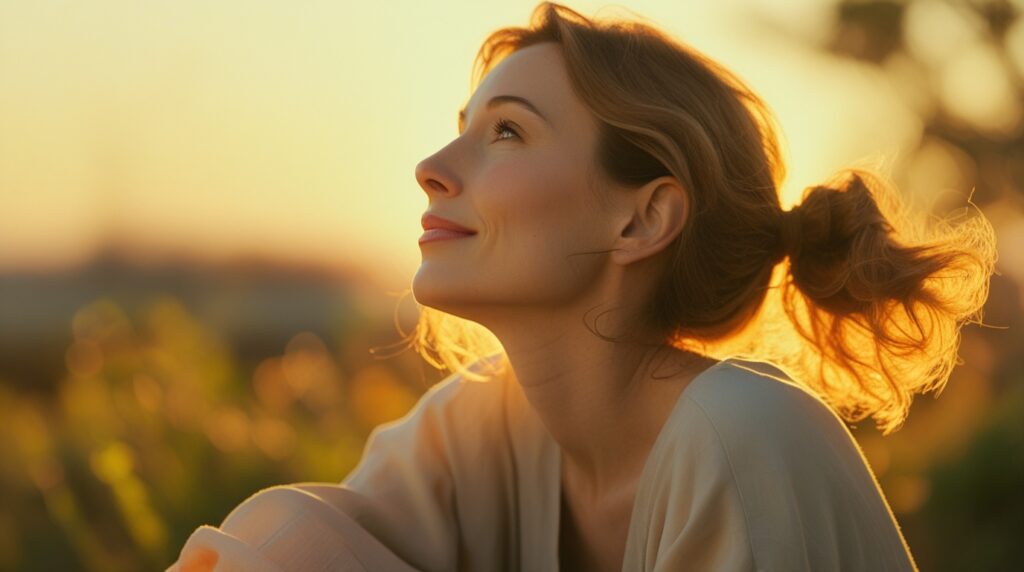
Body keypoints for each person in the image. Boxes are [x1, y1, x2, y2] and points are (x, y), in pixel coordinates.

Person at [166, 2, 996, 570]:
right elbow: (278, 550)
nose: (430, 170)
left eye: (507, 133)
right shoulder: (479, 428)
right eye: (462, 130)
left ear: (641, 221)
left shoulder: (746, 437)